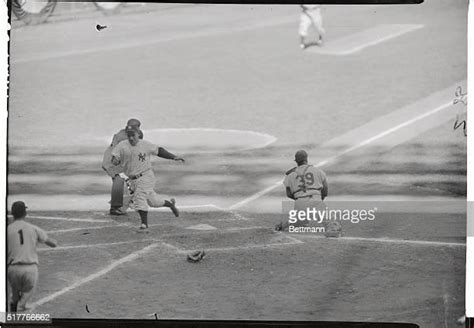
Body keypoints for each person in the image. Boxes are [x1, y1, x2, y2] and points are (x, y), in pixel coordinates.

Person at [111, 125, 185, 232]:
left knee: (139, 197)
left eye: (133, 135)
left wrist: (173, 157)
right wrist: (115, 161)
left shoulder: (145, 144)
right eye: (129, 135)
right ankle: (170, 204)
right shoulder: (122, 145)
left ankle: (144, 225)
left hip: (146, 176)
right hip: (132, 179)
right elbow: (115, 158)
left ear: (138, 134)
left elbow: (159, 151)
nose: (131, 138)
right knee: (153, 202)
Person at [7, 201, 57, 312]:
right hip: (30, 269)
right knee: (25, 300)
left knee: (14, 295)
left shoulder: (7, 229)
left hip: (12, 269)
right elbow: (52, 244)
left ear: (12, 214)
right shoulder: (32, 228)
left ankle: (12, 313)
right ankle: (20, 312)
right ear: (25, 213)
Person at [275, 150, 328, 231]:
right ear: (306, 159)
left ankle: (283, 225)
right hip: (316, 200)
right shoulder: (318, 171)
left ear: (296, 161)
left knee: (298, 224)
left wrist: (301, 198)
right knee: (330, 223)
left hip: (300, 203)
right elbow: (325, 191)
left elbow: (289, 194)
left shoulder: (290, 175)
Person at [102, 118, 144, 216]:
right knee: (118, 180)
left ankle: (128, 201)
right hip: (113, 160)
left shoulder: (131, 134)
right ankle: (115, 207)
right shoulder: (123, 137)